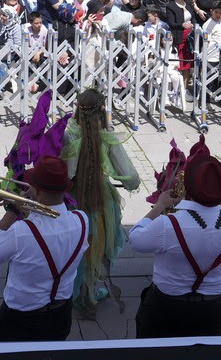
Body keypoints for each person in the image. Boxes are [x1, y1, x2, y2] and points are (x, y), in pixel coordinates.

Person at [129, 155, 221, 337]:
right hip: (212, 309)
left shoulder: (167, 224)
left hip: (166, 307)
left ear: (189, 187)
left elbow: (135, 239)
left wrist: (159, 206)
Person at [0, 155, 90, 343]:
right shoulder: (82, 220)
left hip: (21, 319)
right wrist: (31, 210)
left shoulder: (22, 232)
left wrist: (13, 212)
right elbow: (50, 229)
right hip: (61, 314)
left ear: (38, 191)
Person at [60, 87, 139, 318]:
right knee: (98, 245)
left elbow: (68, 173)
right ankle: (91, 290)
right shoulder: (107, 136)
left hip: (75, 199)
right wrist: (131, 184)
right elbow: (130, 175)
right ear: (102, 111)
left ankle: (79, 293)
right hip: (101, 199)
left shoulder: (68, 134)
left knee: (77, 247)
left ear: (76, 110)